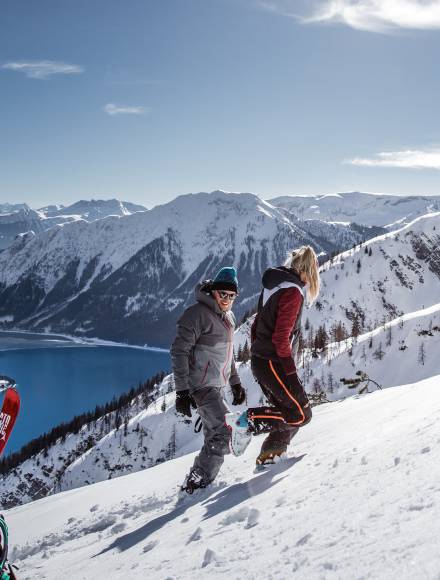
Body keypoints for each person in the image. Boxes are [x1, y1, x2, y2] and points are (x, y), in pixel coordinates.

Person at [226, 246, 320, 465]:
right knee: (299, 415)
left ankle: (271, 453)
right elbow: (280, 338)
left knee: (288, 411)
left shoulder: (275, 286)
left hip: (262, 361)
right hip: (272, 362)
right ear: (308, 271)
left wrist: (259, 353)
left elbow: (256, 325)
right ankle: (245, 421)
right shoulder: (293, 292)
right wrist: (290, 370)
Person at [171, 266, 246, 493]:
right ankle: (198, 482)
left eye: (231, 296)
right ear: (213, 292)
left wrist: (235, 382)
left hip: (217, 385)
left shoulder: (229, 318)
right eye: (222, 294)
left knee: (214, 436)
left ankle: (197, 482)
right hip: (201, 387)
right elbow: (179, 351)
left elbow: (228, 353)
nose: (227, 299)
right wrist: (182, 391)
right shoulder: (196, 314)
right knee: (224, 434)